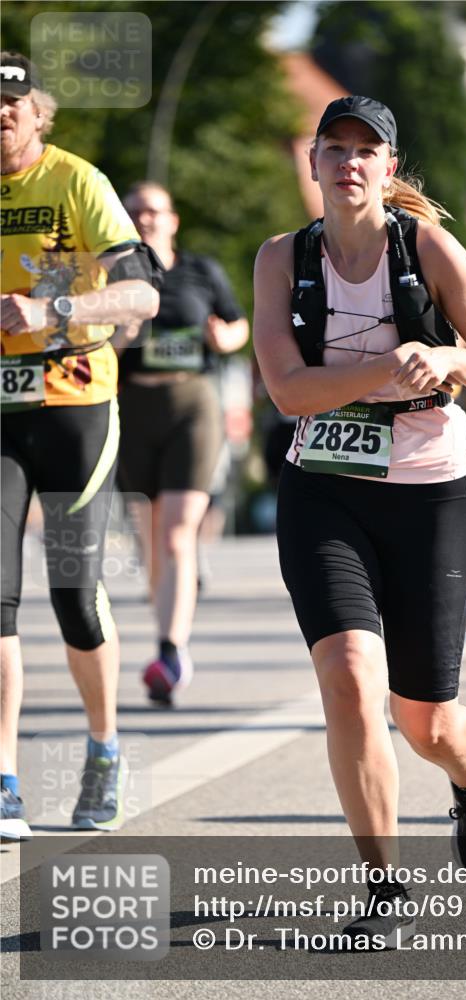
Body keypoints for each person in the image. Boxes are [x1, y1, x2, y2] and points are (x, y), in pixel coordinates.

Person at [253, 95, 466, 948]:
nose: (347, 163)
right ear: (312, 163)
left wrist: (446, 355)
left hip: (432, 494)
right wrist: (385, 367)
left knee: (427, 723)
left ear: (387, 168)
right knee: (346, 680)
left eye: (364, 151)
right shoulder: (279, 259)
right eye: (332, 148)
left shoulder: (428, 249)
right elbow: (288, 393)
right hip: (324, 492)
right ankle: (381, 886)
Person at [0, 53, 160, 840]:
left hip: (74, 404)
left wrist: (50, 307)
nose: (1, 115)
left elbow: (142, 294)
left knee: (73, 594)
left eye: (13, 104)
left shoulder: (77, 182)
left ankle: (104, 749)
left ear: (39, 115)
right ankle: (3, 779)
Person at [112, 183, 248, 705]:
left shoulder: (200, 270)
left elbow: (238, 326)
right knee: (149, 539)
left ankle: (171, 651)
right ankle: (170, 609)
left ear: (172, 220)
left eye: (154, 210)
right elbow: (96, 345)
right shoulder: (112, 276)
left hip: (192, 403)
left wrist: (223, 336)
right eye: (135, 211)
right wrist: (122, 331)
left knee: (176, 534)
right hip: (134, 409)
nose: (145, 218)